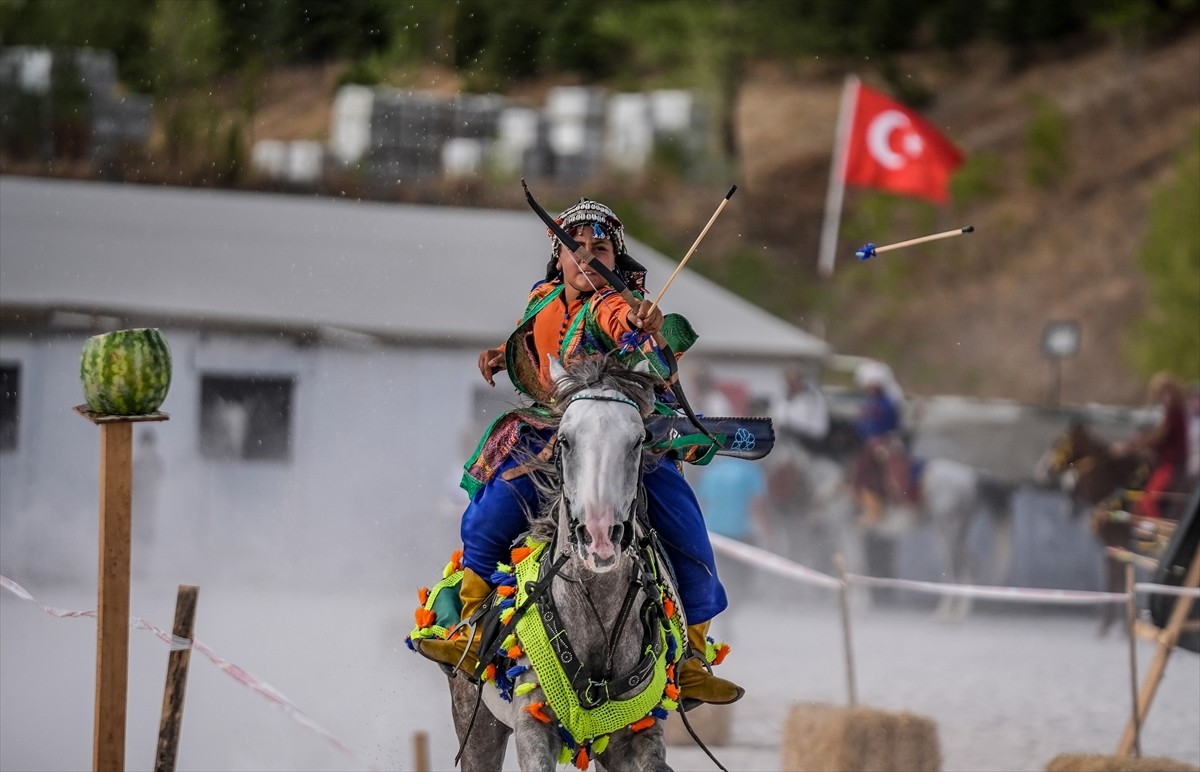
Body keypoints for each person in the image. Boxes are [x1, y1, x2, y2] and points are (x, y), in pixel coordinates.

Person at [415, 197, 743, 707]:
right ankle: (472, 634)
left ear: (616, 259)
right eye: (576, 247)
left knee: (685, 524)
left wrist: (645, 326)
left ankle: (693, 658)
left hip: (624, 430)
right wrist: (503, 356)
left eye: (601, 248)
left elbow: (628, 327)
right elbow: (537, 339)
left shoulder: (617, 303)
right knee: (494, 504)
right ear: (558, 256)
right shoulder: (543, 297)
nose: (588, 255)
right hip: (553, 428)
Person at [1116, 371, 1190, 520]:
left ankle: (1159, 532)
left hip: (1171, 465)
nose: (1165, 396)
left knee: (1147, 502)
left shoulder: (1174, 412)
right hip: (1164, 463)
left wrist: (1130, 447)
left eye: (1168, 391)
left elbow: (1157, 437)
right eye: (1161, 393)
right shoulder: (1168, 412)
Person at [848, 360, 913, 526]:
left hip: (884, 442)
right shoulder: (875, 402)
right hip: (876, 441)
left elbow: (879, 426)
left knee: (864, 472)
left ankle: (874, 511)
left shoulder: (884, 402)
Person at [771, 364, 830, 452]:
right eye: (789, 380)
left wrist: (794, 428)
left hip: (806, 446)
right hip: (780, 443)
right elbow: (775, 417)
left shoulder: (813, 399)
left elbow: (819, 430)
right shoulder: (780, 396)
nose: (791, 384)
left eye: (795, 380)